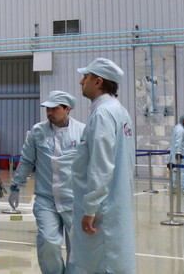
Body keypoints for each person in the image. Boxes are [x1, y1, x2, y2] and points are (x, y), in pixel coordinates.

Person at [8, 90, 86, 274]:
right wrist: (15, 186)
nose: (49, 113)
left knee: (78, 249)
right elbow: (27, 160)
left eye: (54, 109)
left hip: (74, 200)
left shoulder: (83, 131)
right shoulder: (37, 132)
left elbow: (91, 165)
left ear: (68, 109)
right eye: (47, 109)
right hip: (46, 200)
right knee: (48, 242)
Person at [70, 58, 135, 274]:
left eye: (85, 77)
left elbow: (101, 164)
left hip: (102, 208)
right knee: (115, 260)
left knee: (101, 263)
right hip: (115, 202)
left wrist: (90, 208)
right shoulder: (119, 111)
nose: (81, 82)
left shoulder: (103, 113)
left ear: (98, 82)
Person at [169, 114, 184, 194]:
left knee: (175, 171)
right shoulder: (180, 129)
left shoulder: (179, 128)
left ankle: (172, 188)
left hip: (177, 154)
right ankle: (183, 189)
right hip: (182, 155)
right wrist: (179, 153)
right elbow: (178, 142)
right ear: (183, 120)